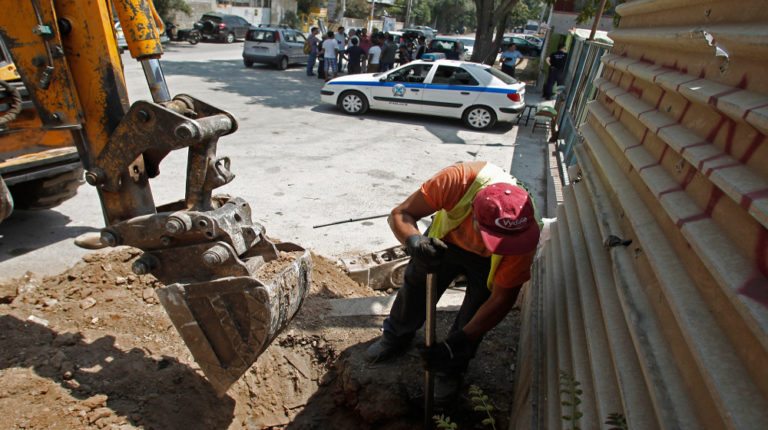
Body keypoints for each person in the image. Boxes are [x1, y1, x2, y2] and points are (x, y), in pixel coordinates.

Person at [365, 161, 541, 403]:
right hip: (446, 242)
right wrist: (416, 244)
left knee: (478, 307)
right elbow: (400, 213)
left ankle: (451, 367)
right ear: (474, 213)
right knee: (416, 284)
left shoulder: (523, 237)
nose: (497, 245)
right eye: (492, 238)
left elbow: (502, 298)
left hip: (489, 263)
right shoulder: (457, 181)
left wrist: (461, 342)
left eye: (504, 242)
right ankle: (396, 336)